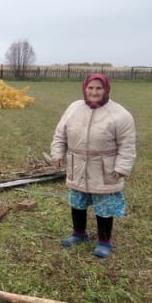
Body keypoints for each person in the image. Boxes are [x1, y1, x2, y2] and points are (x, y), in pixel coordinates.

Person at [50, 73, 136, 258]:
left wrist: (122, 167)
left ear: (106, 89)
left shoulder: (120, 115)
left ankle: (104, 242)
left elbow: (127, 145)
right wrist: (57, 153)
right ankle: (79, 234)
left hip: (105, 168)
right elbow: (60, 134)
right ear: (84, 88)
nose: (94, 92)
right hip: (77, 164)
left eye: (98, 88)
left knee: (104, 206)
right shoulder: (74, 108)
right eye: (90, 88)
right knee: (77, 202)